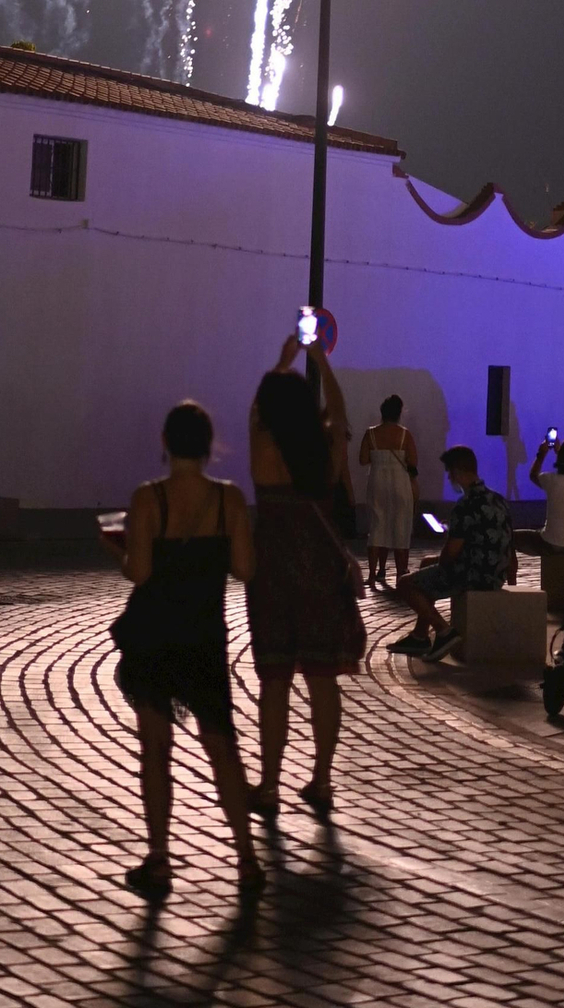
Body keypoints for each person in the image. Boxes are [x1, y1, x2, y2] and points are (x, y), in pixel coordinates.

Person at [104, 399, 265, 900]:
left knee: (156, 749)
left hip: (154, 632)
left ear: (166, 444)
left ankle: (159, 860)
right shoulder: (229, 499)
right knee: (222, 747)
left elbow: (141, 572)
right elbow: (245, 570)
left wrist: (120, 549)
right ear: (209, 445)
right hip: (204, 634)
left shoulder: (149, 497)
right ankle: (246, 858)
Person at [247, 333, 366, 817]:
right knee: (322, 679)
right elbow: (339, 415)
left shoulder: (263, 448)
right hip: (319, 570)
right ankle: (321, 780)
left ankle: (270, 785)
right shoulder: (325, 448)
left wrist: (284, 360)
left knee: (274, 678)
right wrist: (321, 363)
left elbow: (258, 410)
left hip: (272, 570)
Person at [391, 445, 514, 660]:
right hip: (495, 573)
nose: (449, 478)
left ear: (457, 472)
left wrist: (448, 541)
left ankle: (444, 631)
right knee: (426, 564)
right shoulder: (499, 500)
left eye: (449, 473)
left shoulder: (465, 505)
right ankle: (420, 636)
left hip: (473, 574)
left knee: (405, 583)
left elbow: (451, 554)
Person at [359, 393, 418, 587]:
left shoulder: (371, 434)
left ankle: (372, 573)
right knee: (401, 525)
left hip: (377, 482)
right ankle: (401, 573)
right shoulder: (404, 434)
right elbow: (413, 462)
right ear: (400, 413)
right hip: (400, 483)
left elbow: (363, 460)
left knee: (377, 526)